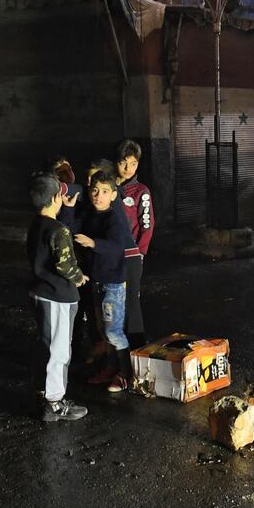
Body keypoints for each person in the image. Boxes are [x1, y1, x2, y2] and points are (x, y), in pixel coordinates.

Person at [60, 171, 132, 393]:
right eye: (94, 190)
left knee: (114, 331)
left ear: (113, 195)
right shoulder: (89, 214)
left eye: (104, 191)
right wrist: (69, 207)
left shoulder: (114, 219)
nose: (98, 195)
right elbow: (69, 230)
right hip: (95, 282)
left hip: (112, 283)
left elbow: (117, 248)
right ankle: (110, 367)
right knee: (103, 330)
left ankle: (125, 374)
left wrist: (93, 243)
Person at [26, 172, 89, 422]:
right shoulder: (58, 230)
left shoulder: (36, 224)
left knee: (45, 343)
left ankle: (43, 393)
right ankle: (54, 403)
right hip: (58, 296)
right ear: (55, 198)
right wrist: (79, 277)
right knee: (59, 350)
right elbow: (65, 265)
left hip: (39, 292)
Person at [115, 139, 153, 350]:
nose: (128, 168)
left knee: (132, 302)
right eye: (123, 163)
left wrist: (139, 253)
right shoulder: (107, 189)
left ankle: (137, 349)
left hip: (132, 257)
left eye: (133, 163)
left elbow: (147, 225)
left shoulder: (141, 192)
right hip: (110, 256)